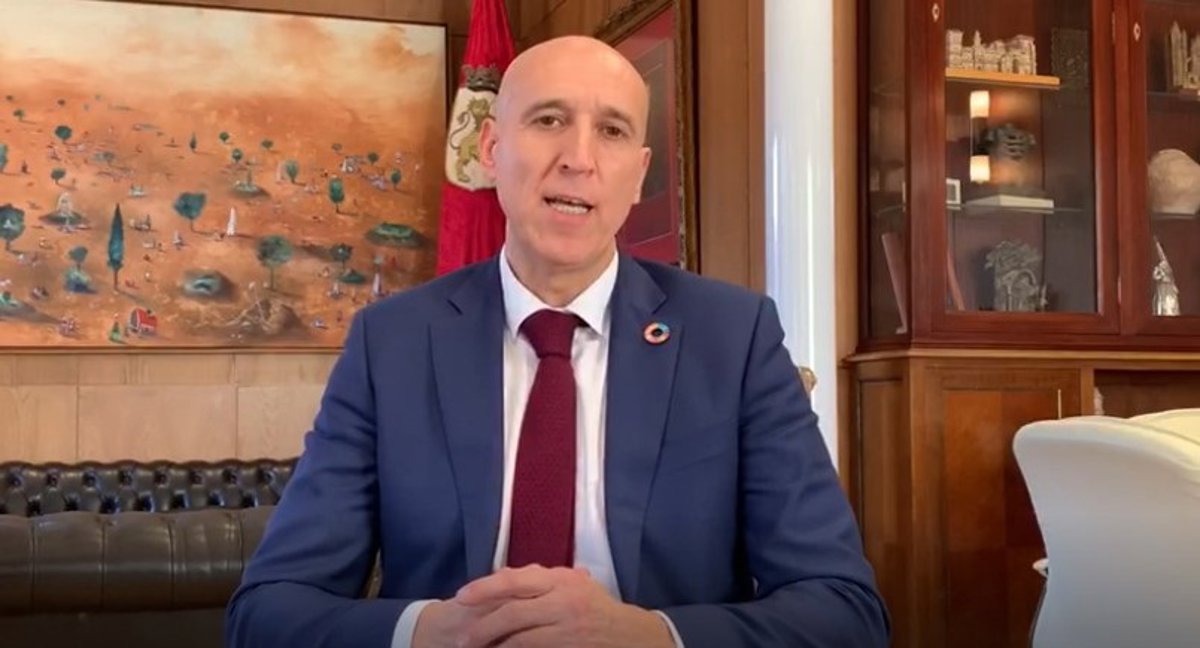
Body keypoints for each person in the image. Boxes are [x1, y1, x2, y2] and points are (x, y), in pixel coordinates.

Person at [226, 35, 889, 648]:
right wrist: (429, 631)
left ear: (639, 173)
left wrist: (651, 638)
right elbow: (268, 610)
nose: (578, 158)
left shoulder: (734, 337)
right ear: (491, 148)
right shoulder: (392, 344)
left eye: (612, 131)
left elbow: (844, 611)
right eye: (548, 120)